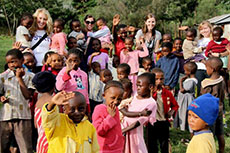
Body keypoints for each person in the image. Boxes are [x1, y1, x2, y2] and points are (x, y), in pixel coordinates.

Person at [0, 49, 35, 153]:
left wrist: (19, 78)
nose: (11, 65)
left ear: (22, 60)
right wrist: (1, 97)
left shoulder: (30, 76)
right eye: (9, 62)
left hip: (23, 115)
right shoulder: (3, 77)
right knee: (2, 145)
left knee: (25, 147)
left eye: (14, 61)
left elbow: (28, 95)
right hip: (6, 116)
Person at [122, 73, 157, 153]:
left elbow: (139, 121)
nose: (137, 88)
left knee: (135, 149)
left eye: (140, 86)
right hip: (124, 127)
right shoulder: (134, 96)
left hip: (134, 132)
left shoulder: (151, 103)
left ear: (150, 87)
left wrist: (124, 130)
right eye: (137, 86)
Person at [149, 68, 179, 153]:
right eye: (156, 79)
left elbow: (175, 105)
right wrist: (151, 93)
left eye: (161, 79)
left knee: (164, 143)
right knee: (152, 144)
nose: (159, 81)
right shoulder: (149, 93)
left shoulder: (166, 92)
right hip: (152, 122)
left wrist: (171, 112)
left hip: (163, 121)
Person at [201, 57, 225, 153]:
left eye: (206, 67)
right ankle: (222, 151)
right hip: (219, 109)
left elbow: (203, 99)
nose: (206, 70)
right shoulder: (221, 80)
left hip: (209, 111)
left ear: (212, 69)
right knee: (220, 134)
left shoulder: (207, 83)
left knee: (210, 134)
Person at [92, 80, 125, 153]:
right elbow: (98, 131)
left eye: (119, 99)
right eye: (113, 98)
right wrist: (110, 117)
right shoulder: (99, 109)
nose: (116, 102)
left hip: (117, 148)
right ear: (104, 96)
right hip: (104, 149)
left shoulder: (115, 109)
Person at [32, 71, 56, 153]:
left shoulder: (38, 102)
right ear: (54, 85)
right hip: (53, 140)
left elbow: (36, 124)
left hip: (41, 140)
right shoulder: (54, 101)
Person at [176, 62, 198, 135]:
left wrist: (181, 82)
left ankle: (188, 130)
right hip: (185, 100)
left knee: (184, 113)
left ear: (189, 71)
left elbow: (183, 90)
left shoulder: (191, 81)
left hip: (186, 101)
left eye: (185, 70)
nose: (184, 72)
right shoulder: (191, 80)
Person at [30, 8, 53, 72]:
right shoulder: (29, 32)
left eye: (45, 19)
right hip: (32, 64)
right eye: (40, 18)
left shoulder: (50, 34)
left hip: (45, 65)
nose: (42, 21)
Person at [196, 21, 213, 96]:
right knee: (200, 87)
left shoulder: (213, 40)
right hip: (199, 67)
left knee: (211, 88)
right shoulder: (197, 41)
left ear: (210, 28)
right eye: (201, 29)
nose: (204, 31)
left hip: (211, 67)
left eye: (205, 28)